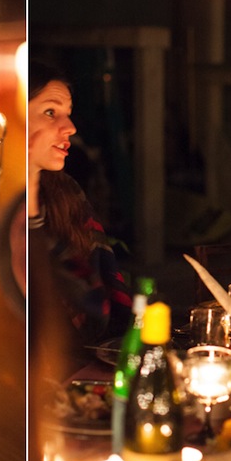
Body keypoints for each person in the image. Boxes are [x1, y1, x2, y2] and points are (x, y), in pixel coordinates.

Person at [27, 58, 132, 354]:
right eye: (51, 112)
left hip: (80, 361)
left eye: (68, 115)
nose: (70, 128)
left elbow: (103, 287)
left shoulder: (67, 194)